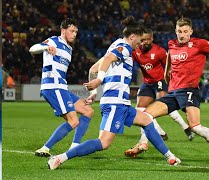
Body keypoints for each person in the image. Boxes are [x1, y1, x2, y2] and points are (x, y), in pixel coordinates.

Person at [47, 16, 181, 170]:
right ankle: (60, 158)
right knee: (103, 143)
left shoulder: (117, 45)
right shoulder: (124, 47)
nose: (141, 43)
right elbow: (108, 59)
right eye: (139, 40)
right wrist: (99, 81)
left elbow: (93, 68)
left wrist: (94, 93)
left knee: (147, 120)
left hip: (121, 103)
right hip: (114, 104)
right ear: (132, 37)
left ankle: (170, 157)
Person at [124, 17, 209, 160]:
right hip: (173, 92)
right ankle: (142, 144)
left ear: (191, 32)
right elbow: (169, 59)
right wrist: (166, 75)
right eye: (179, 31)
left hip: (189, 91)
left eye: (185, 31)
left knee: (195, 127)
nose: (182, 35)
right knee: (146, 116)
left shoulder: (199, 44)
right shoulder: (172, 44)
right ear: (176, 31)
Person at [29, 18, 94, 157]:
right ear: (63, 30)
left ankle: (74, 146)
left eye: (76, 31)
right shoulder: (53, 40)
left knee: (88, 111)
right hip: (53, 86)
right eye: (72, 31)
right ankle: (45, 148)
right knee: (73, 120)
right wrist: (46, 47)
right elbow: (32, 49)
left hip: (61, 87)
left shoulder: (69, 48)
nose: (75, 34)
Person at [126, 28, 194, 154]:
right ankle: (157, 134)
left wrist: (173, 79)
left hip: (160, 81)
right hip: (147, 83)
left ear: (152, 39)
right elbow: (129, 64)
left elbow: (170, 65)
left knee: (164, 106)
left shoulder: (159, 51)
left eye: (147, 39)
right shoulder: (136, 51)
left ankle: (185, 126)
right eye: (142, 40)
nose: (144, 42)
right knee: (141, 109)